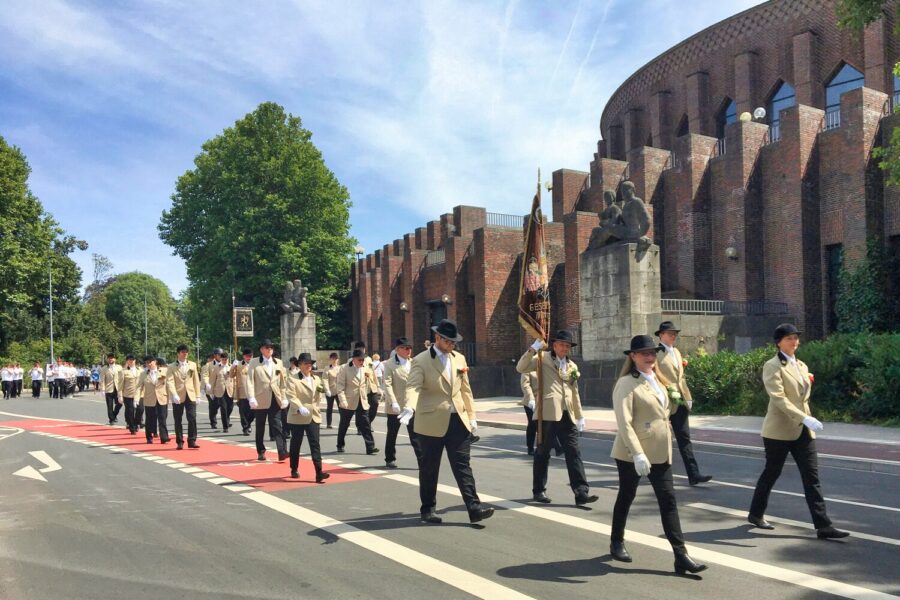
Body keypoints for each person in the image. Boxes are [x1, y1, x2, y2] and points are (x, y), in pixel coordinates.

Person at [609, 335, 707, 574]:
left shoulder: (659, 380)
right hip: (633, 453)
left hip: (661, 452)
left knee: (668, 501)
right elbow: (625, 422)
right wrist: (638, 454)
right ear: (633, 356)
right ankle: (616, 541)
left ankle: (680, 555)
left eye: (652, 353)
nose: (650, 357)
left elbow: (664, 413)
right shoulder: (626, 383)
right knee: (627, 495)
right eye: (644, 353)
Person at [748, 323, 849, 539]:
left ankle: (823, 526)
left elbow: (802, 396)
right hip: (778, 431)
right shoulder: (772, 366)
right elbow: (779, 398)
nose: (794, 342)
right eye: (789, 339)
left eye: (795, 338)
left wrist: (807, 419)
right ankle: (756, 513)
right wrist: (804, 418)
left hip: (803, 431)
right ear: (779, 343)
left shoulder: (801, 365)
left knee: (811, 476)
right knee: (772, 472)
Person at [399, 318, 494, 525]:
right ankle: (428, 509)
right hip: (431, 422)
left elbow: (465, 390)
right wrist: (409, 407)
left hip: (457, 421)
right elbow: (413, 386)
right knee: (429, 467)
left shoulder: (459, 359)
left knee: (463, 466)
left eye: (454, 342)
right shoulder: (421, 360)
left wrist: (472, 416)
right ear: (438, 338)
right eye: (448, 341)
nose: (452, 345)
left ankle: (474, 508)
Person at [517, 330, 597, 506]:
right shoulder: (542, 358)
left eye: (567, 346)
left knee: (574, 452)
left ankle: (581, 492)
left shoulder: (572, 367)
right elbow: (521, 368)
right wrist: (532, 348)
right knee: (542, 453)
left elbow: (574, 392)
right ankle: (539, 490)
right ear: (554, 345)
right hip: (547, 413)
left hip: (567, 414)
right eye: (561, 345)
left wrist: (580, 415)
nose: (564, 348)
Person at [655, 321, 711, 486]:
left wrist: (688, 396)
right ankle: (655, 471)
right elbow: (655, 377)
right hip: (665, 401)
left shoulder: (677, 352)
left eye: (675, 334)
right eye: (669, 333)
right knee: (659, 438)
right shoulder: (656, 353)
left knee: (684, 438)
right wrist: (665, 392)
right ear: (661, 335)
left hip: (680, 401)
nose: (673, 336)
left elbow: (681, 377)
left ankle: (694, 475)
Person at [284, 352, 330, 483]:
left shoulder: (316, 379)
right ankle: (294, 468)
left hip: (313, 415)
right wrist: (299, 407)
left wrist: (318, 402)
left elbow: (319, 393)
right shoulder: (293, 379)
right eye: (306, 363)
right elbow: (291, 395)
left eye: (310, 363)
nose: (309, 365)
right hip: (298, 415)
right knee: (296, 443)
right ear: (299, 365)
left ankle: (319, 472)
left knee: (315, 444)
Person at [243, 339, 289, 462]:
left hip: (275, 398)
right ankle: (261, 451)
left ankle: (282, 451)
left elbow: (282, 382)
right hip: (260, 398)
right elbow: (250, 381)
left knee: (277, 425)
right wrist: (251, 397)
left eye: (271, 347)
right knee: (260, 427)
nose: (269, 349)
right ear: (262, 349)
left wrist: (284, 397)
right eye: (267, 347)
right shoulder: (254, 362)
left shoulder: (278, 362)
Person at [382, 337, 421, 469]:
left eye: (410, 348)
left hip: (410, 406)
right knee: (392, 434)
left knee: (415, 435)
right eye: (405, 348)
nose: (408, 350)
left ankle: (422, 460)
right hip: (396, 406)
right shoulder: (389, 364)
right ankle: (390, 458)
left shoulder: (414, 362)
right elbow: (387, 384)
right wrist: (393, 402)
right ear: (397, 349)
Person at [336, 349, 379, 455]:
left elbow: (369, 381)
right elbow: (340, 386)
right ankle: (340, 444)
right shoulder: (345, 368)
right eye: (359, 360)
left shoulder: (365, 368)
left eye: (363, 360)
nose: (362, 362)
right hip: (348, 400)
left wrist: (377, 390)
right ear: (353, 359)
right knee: (344, 424)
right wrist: (342, 400)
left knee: (365, 424)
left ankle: (370, 447)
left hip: (362, 399)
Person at [170, 344, 201, 450]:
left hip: (190, 394)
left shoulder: (192, 365)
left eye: (186, 352)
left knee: (192, 418)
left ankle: (192, 440)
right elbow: (169, 382)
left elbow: (196, 380)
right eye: (183, 352)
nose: (185, 354)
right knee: (178, 419)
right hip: (178, 395)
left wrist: (198, 395)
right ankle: (179, 441)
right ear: (178, 353)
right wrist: (174, 394)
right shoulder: (171, 366)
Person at [138, 356, 174, 444]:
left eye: (151, 362)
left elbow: (170, 383)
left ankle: (164, 437)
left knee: (162, 418)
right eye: (147, 363)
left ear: (155, 362)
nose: (149, 364)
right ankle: (149, 437)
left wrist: (173, 395)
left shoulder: (164, 371)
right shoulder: (143, 374)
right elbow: (139, 387)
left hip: (162, 397)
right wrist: (137, 398)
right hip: (149, 398)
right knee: (150, 419)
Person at [210, 350, 235, 433]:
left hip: (230, 390)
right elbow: (212, 380)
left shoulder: (231, 367)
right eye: (223, 359)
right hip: (220, 390)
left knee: (230, 407)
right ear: (221, 359)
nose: (225, 361)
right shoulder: (216, 368)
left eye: (226, 359)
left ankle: (226, 419)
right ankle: (225, 426)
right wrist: (211, 392)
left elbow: (235, 379)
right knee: (223, 408)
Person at [232, 348, 255, 435]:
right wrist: (233, 367)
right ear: (244, 356)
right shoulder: (239, 365)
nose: (249, 358)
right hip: (242, 392)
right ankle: (245, 428)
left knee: (253, 413)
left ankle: (248, 424)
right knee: (243, 412)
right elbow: (231, 375)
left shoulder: (256, 364)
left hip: (253, 392)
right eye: (247, 356)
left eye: (250, 356)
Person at [119, 355, 142, 434]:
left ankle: (136, 423)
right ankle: (132, 428)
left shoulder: (140, 370)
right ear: (127, 361)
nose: (131, 361)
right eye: (129, 360)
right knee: (130, 411)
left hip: (139, 394)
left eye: (132, 360)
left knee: (140, 410)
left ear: (135, 361)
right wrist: (120, 395)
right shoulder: (124, 371)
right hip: (128, 394)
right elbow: (120, 385)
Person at [100, 354, 123, 425]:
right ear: (107, 360)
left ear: (115, 359)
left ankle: (114, 414)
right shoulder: (104, 368)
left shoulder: (119, 367)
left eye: (112, 358)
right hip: (108, 389)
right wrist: (102, 389)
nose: (110, 359)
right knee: (109, 406)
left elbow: (122, 378)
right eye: (109, 358)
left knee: (120, 403)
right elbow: (102, 380)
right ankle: (111, 419)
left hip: (118, 388)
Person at [323, 353, 341, 429]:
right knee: (329, 407)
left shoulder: (340, 368)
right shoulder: (327, 368)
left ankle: (343, 423)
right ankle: (329, 423)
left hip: (339, 390)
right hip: (330, 390)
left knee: (341, 408)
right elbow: (325, 379)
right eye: (332, 358)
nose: (334, 360)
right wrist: (327, 390)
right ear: (330, 359)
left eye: (335, 359)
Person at [201, 353, 218, 430]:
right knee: (213, 406)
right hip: (210, 389)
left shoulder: (220, 364)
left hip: (220, 389)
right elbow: (204, 377)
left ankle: (226, 420)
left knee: (225, 406)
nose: (211, 360)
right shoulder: (206, 366)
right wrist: (202, 388)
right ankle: (213, 422)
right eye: (210, 358)